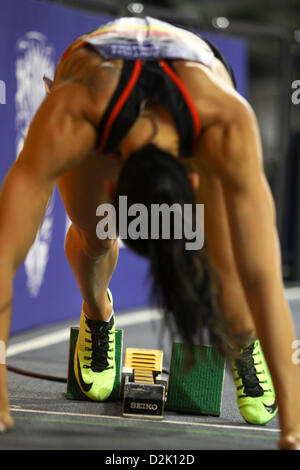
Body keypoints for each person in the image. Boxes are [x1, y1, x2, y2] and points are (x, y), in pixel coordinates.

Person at [0, 16, 299, 450]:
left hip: (187, 84)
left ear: (194, 181)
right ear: (110, 184)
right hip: (96, 75)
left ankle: (242, 339)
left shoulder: (226, 122)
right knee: (95, 236)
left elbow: (263, 277)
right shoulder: (71, 115)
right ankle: (98, 315)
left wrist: (293, 425)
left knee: (230, 266)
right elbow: (5, 256)